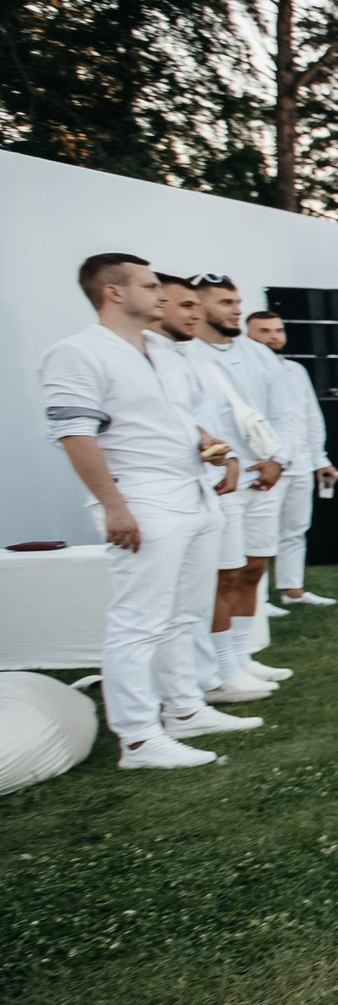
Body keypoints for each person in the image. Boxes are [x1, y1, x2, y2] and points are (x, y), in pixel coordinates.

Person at [39, 254, 257, 767]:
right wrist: (114, 506)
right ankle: (136, 737)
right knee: (139, 621)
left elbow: (180, 422)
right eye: (150, 285)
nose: (162, 294)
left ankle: (183, 708)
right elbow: (75, 433)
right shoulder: (76, 353)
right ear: (114, 292)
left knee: (184, 614)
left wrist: (217, 451)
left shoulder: (162, 351)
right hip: (143, 498)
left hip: (195, 492)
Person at [190, 275, 295, 695]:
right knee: (225, 574)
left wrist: (277, 461)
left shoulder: (258, 356)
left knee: (253, 568)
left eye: (237, 301)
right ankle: (221, 669)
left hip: (264, 476)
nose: (235, 309)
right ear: (200, 307)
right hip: (221, 480)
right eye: (224, 302)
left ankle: (241, 657)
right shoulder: (186, 355)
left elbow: (284, 412)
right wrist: (221, 463)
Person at [244, 310, 338, 608]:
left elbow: (309, 417)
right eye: (264, 330)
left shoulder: (296, 370)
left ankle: (292, 590)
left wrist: (319, 459)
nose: (274, 336)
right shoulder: (244, 371)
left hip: (299, 462)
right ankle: (256, 601)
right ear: (248, 335)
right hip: (266, 464)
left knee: (295, 528)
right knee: (259, 535)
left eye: (278, 330)